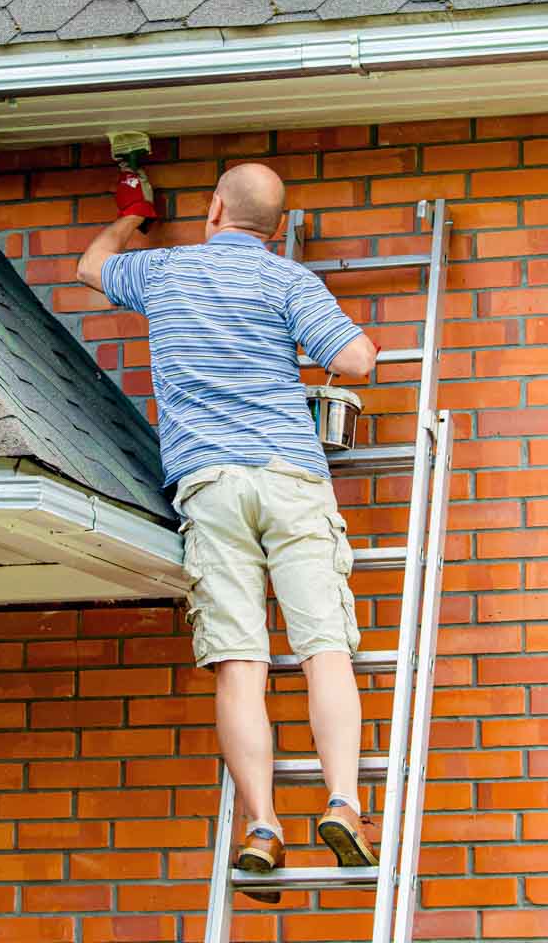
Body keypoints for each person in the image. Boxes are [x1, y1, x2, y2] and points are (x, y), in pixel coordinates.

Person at [77, 162, 380, 901]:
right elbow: (357, 360)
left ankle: (263, 827)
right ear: (274, 226)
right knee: (323, 650)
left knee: (240, 662)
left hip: (209, 485)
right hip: (289, 476)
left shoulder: (164, 271)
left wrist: (132, 216)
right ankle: (343, 803)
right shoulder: (288, 282)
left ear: (214, 208)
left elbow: (90, 268)